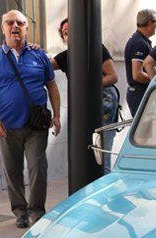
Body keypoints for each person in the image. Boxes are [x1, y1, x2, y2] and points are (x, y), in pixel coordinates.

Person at [0, 9, 60, 228]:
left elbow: (52, 86)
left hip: (36, 126)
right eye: (10, 22)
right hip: (6, 127)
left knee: (37, 169)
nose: (15, 26)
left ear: (26, 28)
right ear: (3, 28)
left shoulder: (39, 55)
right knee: (12, 172)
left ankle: (37, 212)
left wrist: (58, 115)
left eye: (20, 23)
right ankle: (20, 212)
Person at [53, 18, 119, 172]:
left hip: (104, 102)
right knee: (85, 153)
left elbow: (113, 76)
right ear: (63, 38)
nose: (69, 35)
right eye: (65, 33)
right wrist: (32, 50)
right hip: (82, 105)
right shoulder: (65, 56)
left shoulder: (97, 48)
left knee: (102, 155)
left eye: (72, 30)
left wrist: (85, 88)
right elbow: (44, 66)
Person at [123, 8, 156, 116]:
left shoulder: (141, 41)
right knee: (144, 131)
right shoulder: (139, 43)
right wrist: (155, 80)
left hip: (139, 93)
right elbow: (137, 74)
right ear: (150, 23)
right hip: (139, 93)